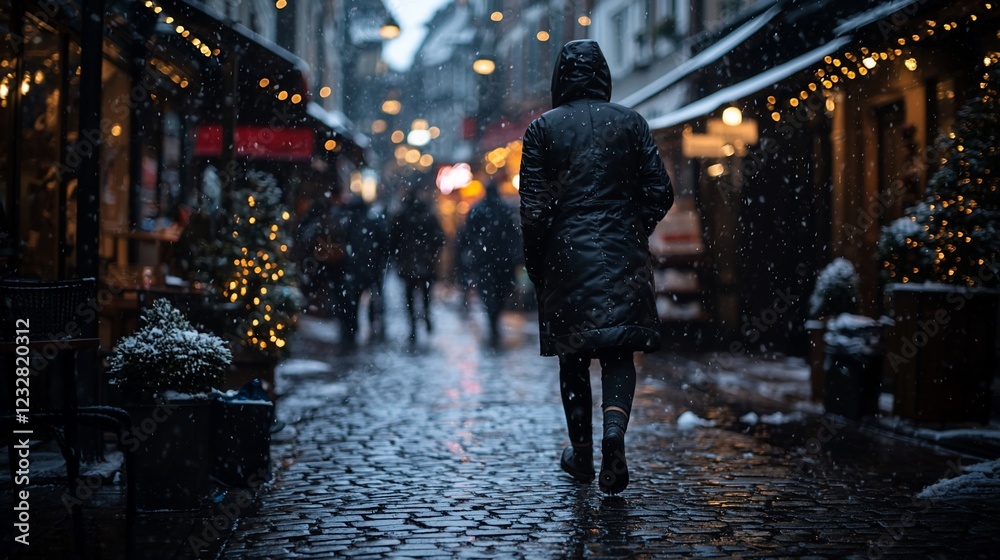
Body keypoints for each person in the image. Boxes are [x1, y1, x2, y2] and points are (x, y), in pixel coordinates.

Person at [519, 40, 674, 495]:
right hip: (623, 254)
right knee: (619, 351)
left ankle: (582, 455)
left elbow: (533, 210)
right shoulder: (631, 122)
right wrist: (632, 227)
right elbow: (660, 191)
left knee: (574, 357)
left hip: (566, 259)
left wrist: (538, 262)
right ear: (603, 74)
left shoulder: (542, 130)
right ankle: (614, 434)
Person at [459, 179, 521, 347]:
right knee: (501, 290)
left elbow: (467, 235)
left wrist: (472, 252)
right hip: (502, 259)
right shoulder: (505, 209)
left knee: (488, 291)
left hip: (485, 260)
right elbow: (513, 234)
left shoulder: (477, 210)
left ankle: (492, 317)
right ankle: (495, 317)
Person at [390, 189, 446, 342]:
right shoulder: (429, 216)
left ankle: (413, 325)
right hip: (426, 263)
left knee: (410, 295)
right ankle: (426, 316)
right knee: (426, 293)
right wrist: (431, 252)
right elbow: (440, 238)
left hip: (408, 263)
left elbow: (392, 240)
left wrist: (398, 255)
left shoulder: (401, 216)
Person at [337, 194, 390, 348]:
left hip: (355, 269)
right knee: (375, 298)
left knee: (353, 301)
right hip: (371, 268)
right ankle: (374, 324)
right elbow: (384, 245)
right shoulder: (374, 222)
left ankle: (352, 329)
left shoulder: (348, 223)